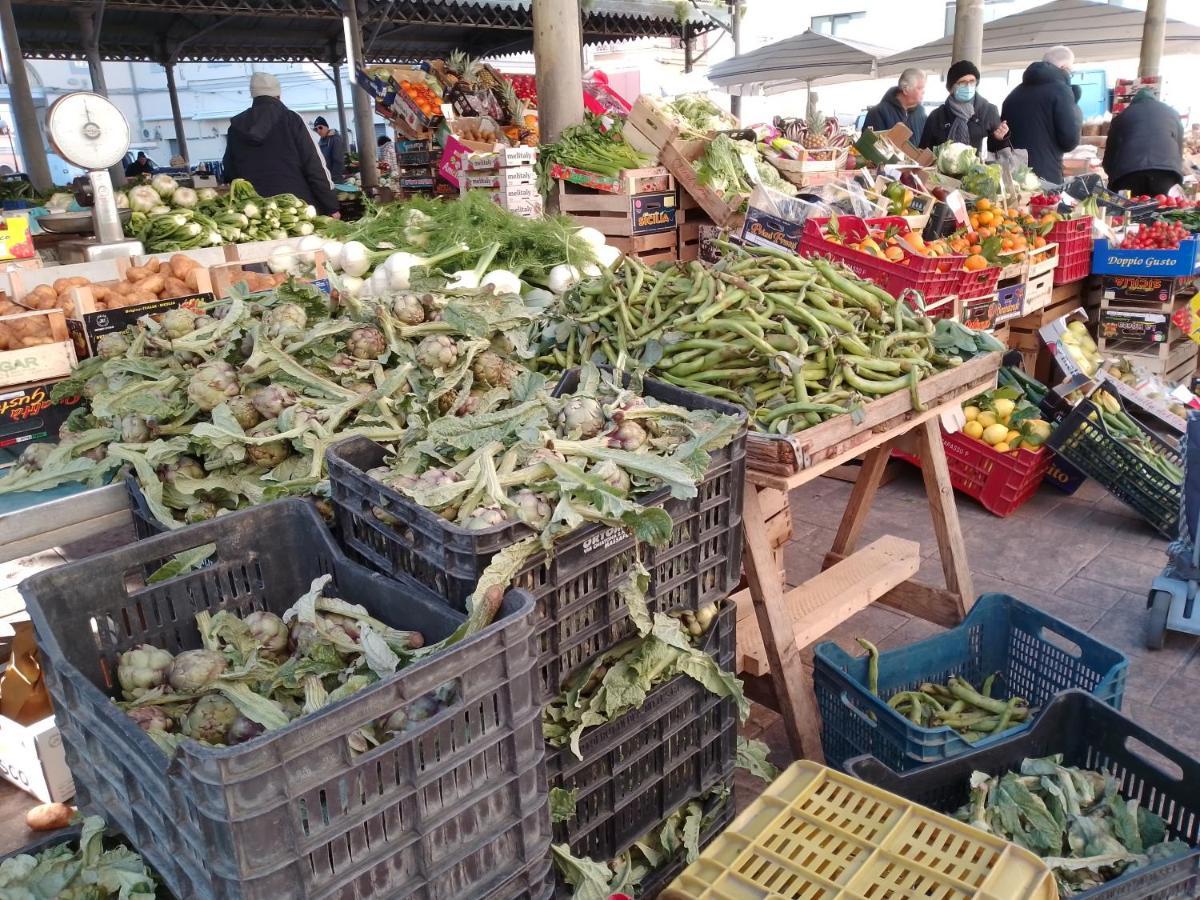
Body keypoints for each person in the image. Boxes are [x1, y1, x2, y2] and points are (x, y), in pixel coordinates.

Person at [222, 73, 338, 217]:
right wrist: (331, 205)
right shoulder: (292, 119)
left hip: (257, 214)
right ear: (278, 95)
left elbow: (229, 171)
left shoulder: (235, 127)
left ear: (253, 96)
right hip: (298, 209)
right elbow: (314, 165)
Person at [1001, 45, 1082, 183]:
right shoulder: (1061, 91)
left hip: (1015, 175)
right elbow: (1069, 141)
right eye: (1071, 71)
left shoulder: (1013, 95)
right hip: (1046, 175)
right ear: (1064, 68)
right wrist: (1075, 106)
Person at [1102, 89, 1185, 196]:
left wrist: (1112, 177)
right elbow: (1179, 149)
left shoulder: (1122, 117)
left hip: (1128, 175)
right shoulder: (1172, 114)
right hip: (1166, 175)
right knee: (1165, 210)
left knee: (1126, 210)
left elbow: (1110, 155)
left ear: (1134, 103)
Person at [919, 60, 1008, 154]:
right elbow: (925, 150)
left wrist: (999, 138)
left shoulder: (989, 111)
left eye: (972, 81)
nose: (968, 86)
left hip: (979, 168)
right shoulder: (937, 116)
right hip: (942, 168)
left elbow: (997, 152)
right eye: (962, 82)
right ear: (951, 87)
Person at [863, 68, 928, 138]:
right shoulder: (878, 113)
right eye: (920, 88)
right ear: (905, 89)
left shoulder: (921, 112)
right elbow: (869, 145)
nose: (924, 92)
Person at [312, 116, 346, 184]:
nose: (318, 131)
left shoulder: (335, 139)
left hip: (334, 179)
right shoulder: (322, 140)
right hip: (326, 177)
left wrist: (333, 180)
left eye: (320, 127)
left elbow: (338, 161)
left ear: (326, 127)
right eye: (316, 129)